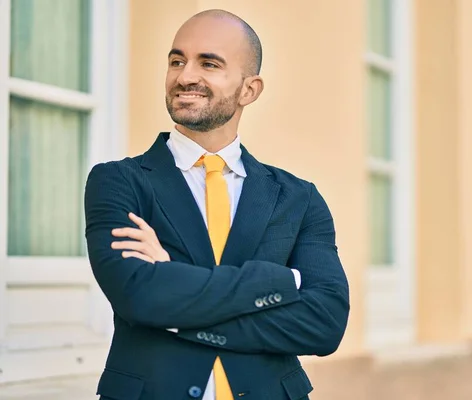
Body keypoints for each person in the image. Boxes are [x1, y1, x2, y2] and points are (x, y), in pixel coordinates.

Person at [84, 9, 349, 400]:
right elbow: (140, 296)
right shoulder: (119, 182)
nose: (185, 75)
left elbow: (324, 324)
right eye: (177, 61)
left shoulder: (298, 198)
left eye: (209, 63)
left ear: (249, 90)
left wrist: (176, 302)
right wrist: (282, 282)